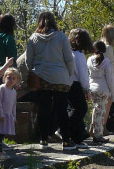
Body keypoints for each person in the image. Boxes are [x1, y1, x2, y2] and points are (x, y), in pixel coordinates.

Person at [25, 11, 76, 149]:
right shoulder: (61, 37)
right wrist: (69, 74)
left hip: (42, 78)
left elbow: (28, 61)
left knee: (44, 109)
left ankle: (43, 140)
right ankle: (66, 140)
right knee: (62, 110)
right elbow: (69, 59)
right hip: (60, 77)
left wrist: (35, 69)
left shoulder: (33, 38)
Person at [63, 28, 92, 149]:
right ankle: (66, 131)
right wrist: (87, 89)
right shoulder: (79, 55)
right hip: (75, 84)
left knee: (74, 109)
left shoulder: (68, 53)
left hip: (66, 83)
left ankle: (78, 138)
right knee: (81, 109)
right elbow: (83, 74)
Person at [87, 40, 114, 144]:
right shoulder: (107, 62)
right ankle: (98, 135)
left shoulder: (89, 60)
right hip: (103, 90)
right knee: (101, 112)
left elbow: (88, 74)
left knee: (96, 110)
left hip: (92, 88)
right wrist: (113, 95)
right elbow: (110, 80)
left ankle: (94, 130)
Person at [0, 67, 20, 152]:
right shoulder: (1, 88)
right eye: (8, 77)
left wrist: (14, 116)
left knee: (3, 131)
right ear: (4, 78)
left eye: (13, 78)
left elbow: (13, 105)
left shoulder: (13, 92)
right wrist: (0, 114)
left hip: (8, 115)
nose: (11, 80)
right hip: (0, 114)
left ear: (16, 81)